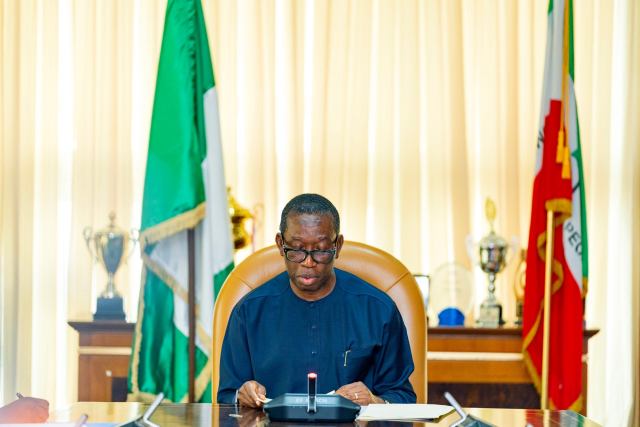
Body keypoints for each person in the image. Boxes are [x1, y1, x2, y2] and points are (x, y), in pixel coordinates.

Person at [218, 193, 416, 407]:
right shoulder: (248, 312)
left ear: (338, 246)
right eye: (296, 249)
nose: (308, 262)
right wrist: (241, 395)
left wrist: (376, 401)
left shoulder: (378, 309)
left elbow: (403, 397)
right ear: (280, 244)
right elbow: (227, 396)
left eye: (320, 251)